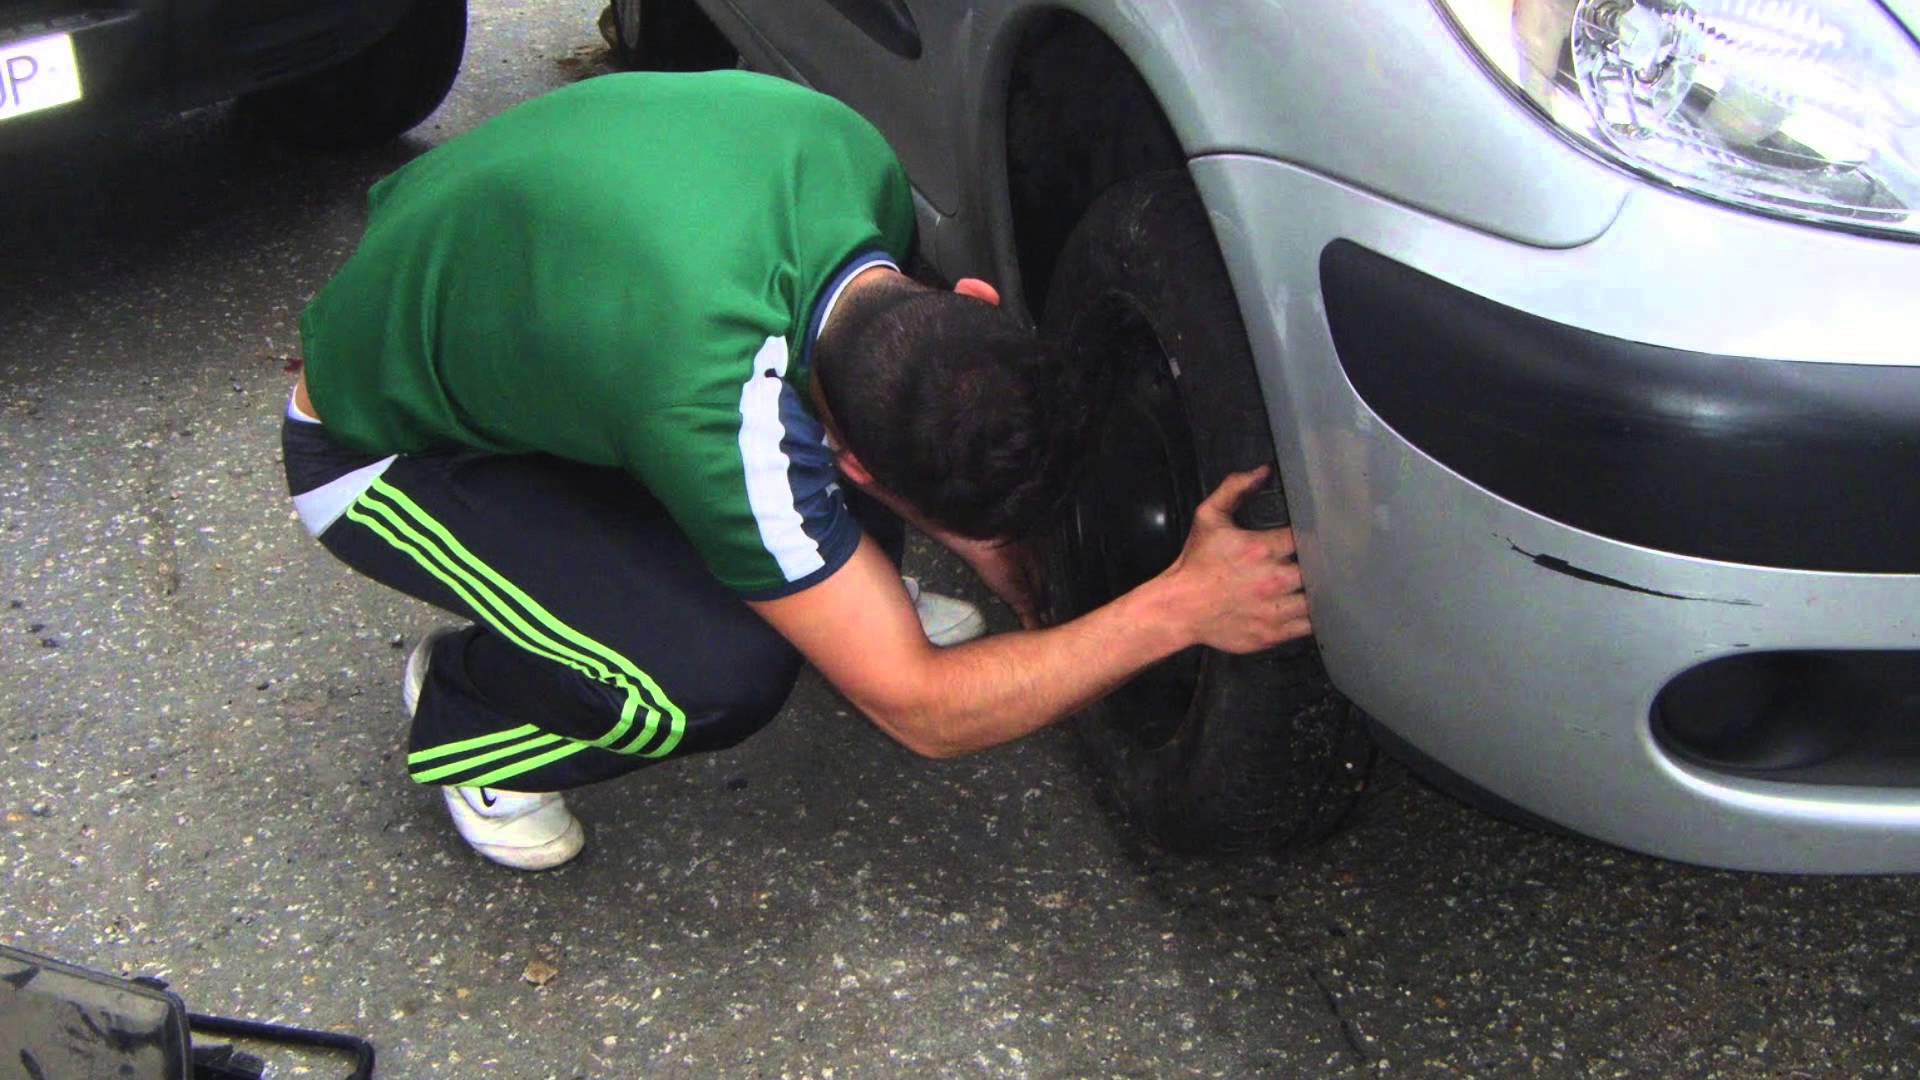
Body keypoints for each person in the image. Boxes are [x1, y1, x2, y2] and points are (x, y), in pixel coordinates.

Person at [281, 71, 1311, 870]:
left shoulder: (850, 158)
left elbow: (893, 386)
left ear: (974, 299)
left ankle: (812, 585)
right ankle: (476, 713)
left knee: (798, 513)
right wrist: (1177, 610)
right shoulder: (717, 410)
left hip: (525, 314)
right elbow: (922, 709)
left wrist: (983, 536)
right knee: (715, 675)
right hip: (386, 449)